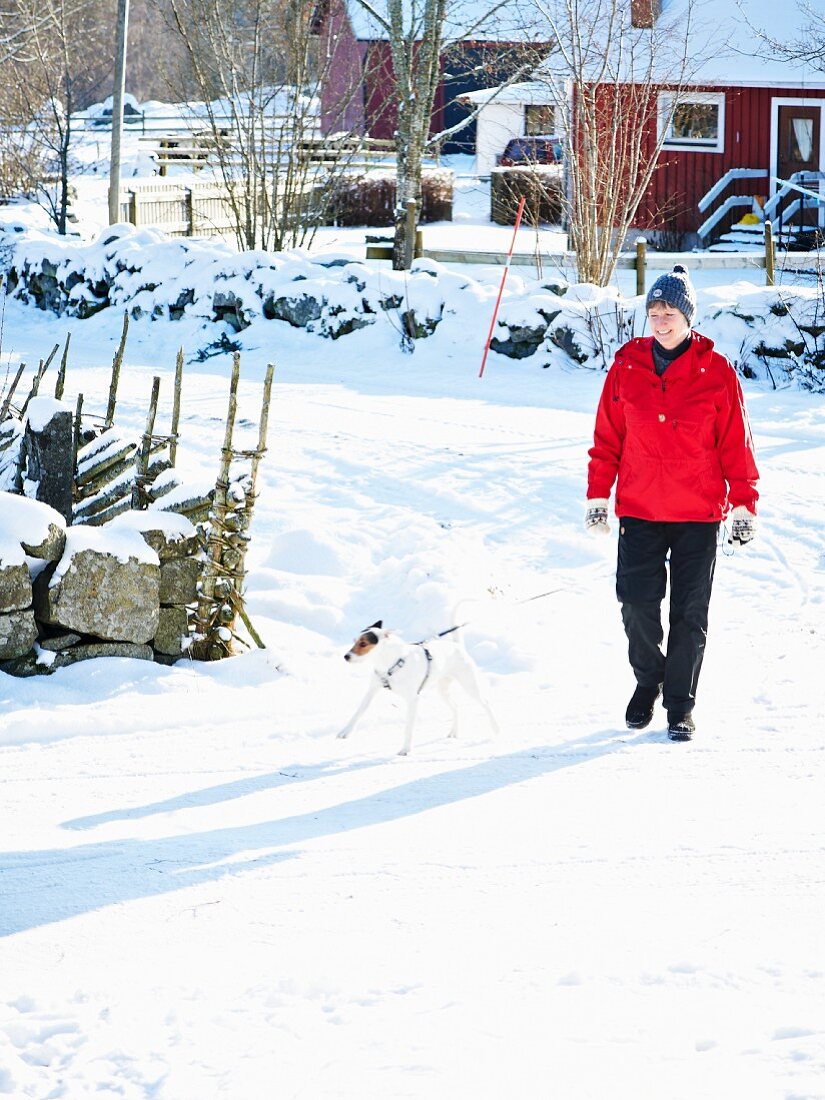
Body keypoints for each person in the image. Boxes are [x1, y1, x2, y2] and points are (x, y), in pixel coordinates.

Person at [585, 264, 759, 741]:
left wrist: (743, 504)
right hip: (639, 509)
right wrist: (599, 495)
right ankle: (649, 681)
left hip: (697, 513)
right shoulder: (626, 366)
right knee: (635, 605)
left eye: (669, 312)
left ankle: (680, 704)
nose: (660, 319)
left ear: (688, 317)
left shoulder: (717, 371)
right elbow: (606, 438)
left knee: (689, 613)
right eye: (654, 311)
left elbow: (735, 444)